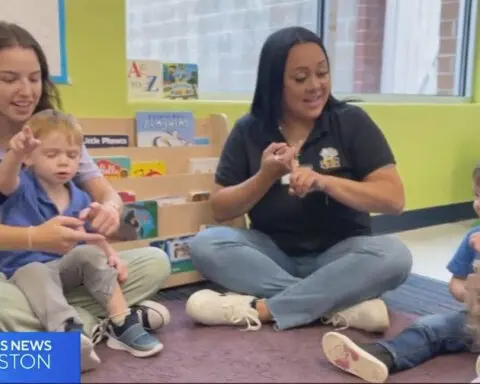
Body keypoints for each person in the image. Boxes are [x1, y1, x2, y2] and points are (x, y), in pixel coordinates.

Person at [185, 26, 412, 332]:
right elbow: (220, 208)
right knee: (205, 244)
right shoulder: (249, 129)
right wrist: (265, 176)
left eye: (322, 73)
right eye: (300, 78)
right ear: (274, 84)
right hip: (272, 255)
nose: (316, 86)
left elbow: (393, 199)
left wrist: (324, 181)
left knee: (395, 256)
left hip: (342, 255)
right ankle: (339, 303)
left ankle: (266, 308)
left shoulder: (351, 121)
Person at [0, 20, 171, 348]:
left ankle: (67, 330)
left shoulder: (53, 128)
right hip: (12, 272)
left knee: (154, 262)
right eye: (10, 79)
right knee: (7, 300)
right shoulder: (17, 165)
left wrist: (111, 208)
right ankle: (98, 323)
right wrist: (35, 237)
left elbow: (102, 190)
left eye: (34, 78)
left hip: (68, 268)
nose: (26, 91)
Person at [0, 111, 164, 371]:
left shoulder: (80, 197)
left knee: (96, 255)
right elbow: (5, 180)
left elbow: (93, 237)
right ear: (30, 158)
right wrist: (15, 154)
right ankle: (69, 332)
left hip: (66, 271)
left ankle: (122, 321)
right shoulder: (22, 186)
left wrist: (111, 254)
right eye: (52, 155)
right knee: (33, 274)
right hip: (23, 273)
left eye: (72, 155)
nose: (63, 163)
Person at [321, 166, 480, 383]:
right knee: (430, 327)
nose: (478, 204)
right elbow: (457, 282)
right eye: (477, 196)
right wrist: (467, 295)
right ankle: (381, 355)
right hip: (476, 321)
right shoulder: (473, 237)